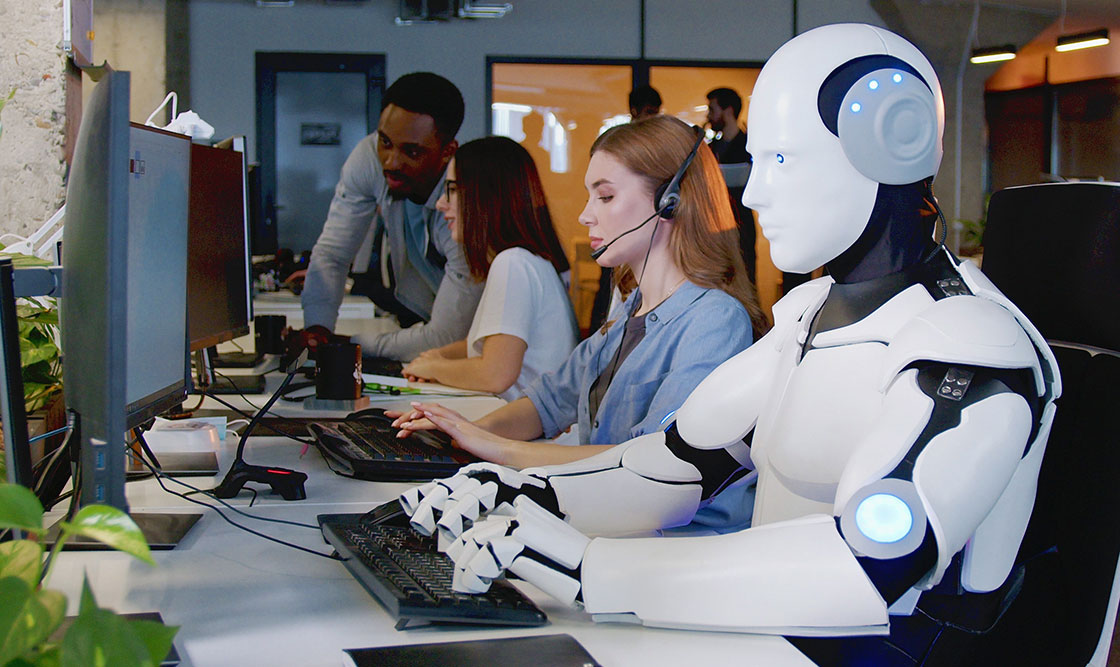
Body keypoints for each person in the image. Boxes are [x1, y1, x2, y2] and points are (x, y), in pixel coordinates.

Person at [400, 24, 1060, 663]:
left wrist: (587, 565)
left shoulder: (970, 345)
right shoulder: (807, 315)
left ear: (896, 141)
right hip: (770, 637)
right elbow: (675, 464)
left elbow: (867, 563)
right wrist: (522, 493)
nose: (759, 192)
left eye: (782, 159)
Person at [391, 115, 767, 479]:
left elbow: (656, 462)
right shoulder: (628, 312)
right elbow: (547, 403)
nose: (586, 215)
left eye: (605, 196)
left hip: (668, 538)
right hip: (606, 519)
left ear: (670, 202)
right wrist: (464, 434)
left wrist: (497, 448)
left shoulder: (713, 320)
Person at [295, 72, 483, 362]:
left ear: (447, 152)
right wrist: (317, 330)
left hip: (479, 350)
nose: (391, 161)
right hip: (425, 323)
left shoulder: (467, 206)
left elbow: (447, 337)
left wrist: (347, 344)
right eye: (385, 141)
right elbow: (333, 255)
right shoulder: (369, 157)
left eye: (412, 151)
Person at [400, 136, 578, 401]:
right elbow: (496, 346)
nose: (441, 204)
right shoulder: (529, 261)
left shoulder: (513, 263)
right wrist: (441, 355)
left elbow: (495, 373)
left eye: (452, 190)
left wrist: (434, 367)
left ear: (486, 195)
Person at [706, 87, 756, 280]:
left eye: (713, 109)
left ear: (728, 111)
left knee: (745, 278)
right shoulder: (710, 149)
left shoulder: (748, 147)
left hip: (741, 226)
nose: (709, 115)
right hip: (715, 228)